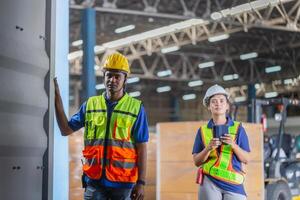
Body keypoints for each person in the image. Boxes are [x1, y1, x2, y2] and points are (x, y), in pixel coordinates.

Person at [54, 52, 149, 200]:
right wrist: (56, 98)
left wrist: (141, 183)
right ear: (104, 77)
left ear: (125, 79)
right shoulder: (90, 105)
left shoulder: (136, 108)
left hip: (123, 184)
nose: (112, 80)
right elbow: (65, 129)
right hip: (94, 181)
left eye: (117, 76)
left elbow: (141, 147)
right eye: (109, 75)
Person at [192, 84, 250, 200]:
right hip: (210, 181)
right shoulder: (202, 131)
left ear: (227, 105)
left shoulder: (238, 129)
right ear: (209, 106)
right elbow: (197, 161)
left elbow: (246, 159)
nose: (218, 104)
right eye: (214, 101)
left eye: (222, 101)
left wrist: (233, 145)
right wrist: (208, 148)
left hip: (233, 183)